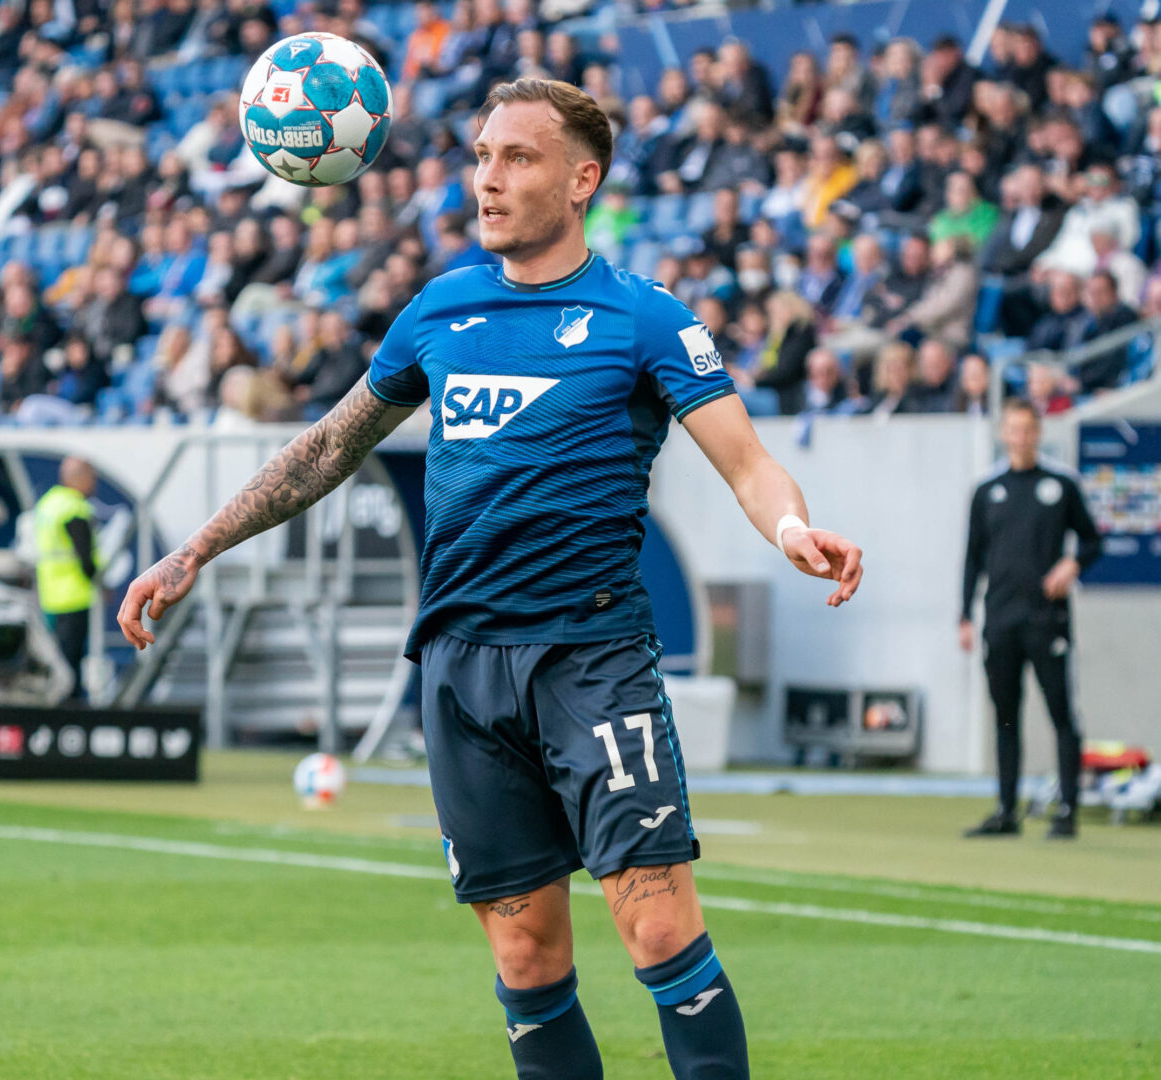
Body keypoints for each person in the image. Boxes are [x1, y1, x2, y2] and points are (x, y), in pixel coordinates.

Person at [118, 79, 863, 1080]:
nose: (488, 180)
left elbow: (747, 462)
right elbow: (328, 447)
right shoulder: (441, 309)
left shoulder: (643, 317)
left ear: (582, 179)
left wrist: (791, 529)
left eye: (517, 158)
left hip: (592, 660)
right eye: (480, 157)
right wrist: (195, 548)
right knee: (525, 955)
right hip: (462, 672)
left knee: (657, 930)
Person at [960, 399, 1102, 839]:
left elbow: (1092, 540)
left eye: (1028, 430)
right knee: (1005, 716)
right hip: (1000, 618)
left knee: (1061, 712)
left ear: (1038, 433)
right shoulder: (987, 489)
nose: (1021, 437)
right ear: (1003, 433)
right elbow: (972, 558)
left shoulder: (1061, 485)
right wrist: (964, 615)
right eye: (1014, 429)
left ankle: (1067, 812)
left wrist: (1072, 565)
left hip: (1046, 619)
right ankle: (1006, 811)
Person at [34, 457, 104, 700]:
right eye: (91, 477)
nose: (94, 483)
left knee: (56, 662)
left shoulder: (48, 503)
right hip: (73, 595)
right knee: (71, 665)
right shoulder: (74, 508)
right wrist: (98, 580)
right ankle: (70, 711)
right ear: (80, 478)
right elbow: (85, 556)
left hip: (49, 596)